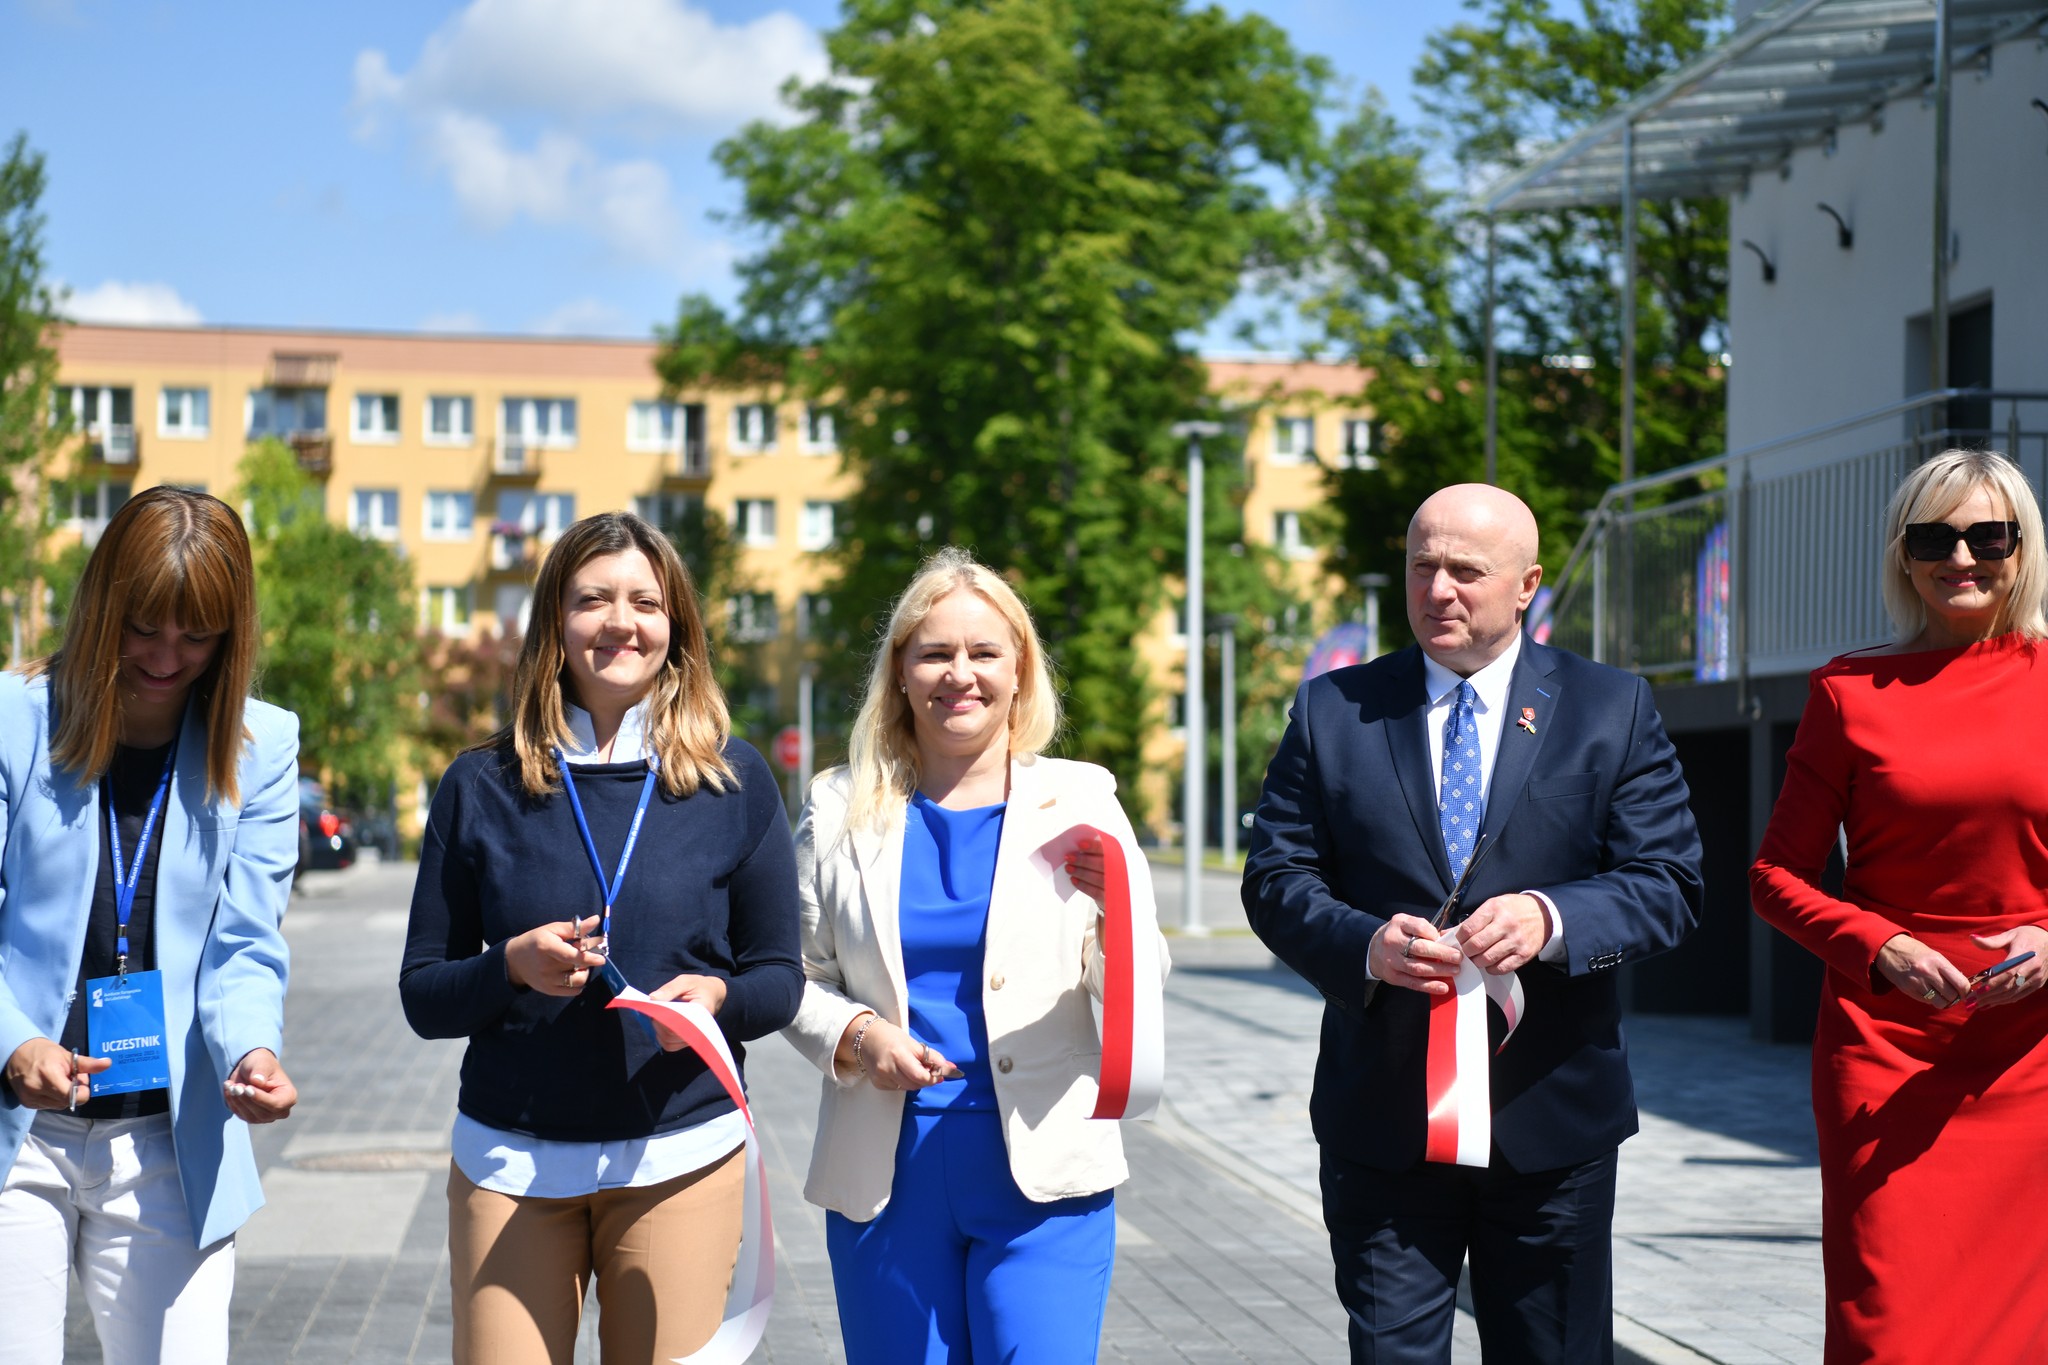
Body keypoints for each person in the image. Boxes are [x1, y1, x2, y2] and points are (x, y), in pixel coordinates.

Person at [1242, 483, 1703, 1365]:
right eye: (1422, 567)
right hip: (1384, 1124)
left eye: (1466, 570)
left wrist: (1550, 915)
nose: (1440, 589)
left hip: (1550, 1126)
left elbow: (1670, 880)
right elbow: (1275, 877)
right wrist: (1364, 946)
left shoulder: (1613, 708)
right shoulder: (1333, 710)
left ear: (1527, 583)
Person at [400, 511, 801, 1364]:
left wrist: (718, 998)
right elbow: (423, 994)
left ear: (675, 627)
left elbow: (780, 975)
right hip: (510, 1160)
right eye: (593, 599)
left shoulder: (736, 778)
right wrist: (508, 966)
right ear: (555, 622)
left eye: (645, 602)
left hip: (680, 1156)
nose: (621, 621)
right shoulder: (481, 782)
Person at [783, 547, 1167, 1365]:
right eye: (935, 652)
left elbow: (1143, 977)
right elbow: (796, 976)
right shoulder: (836, 804)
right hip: (886, 1174)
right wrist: (858, 1035)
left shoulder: (1084, 797)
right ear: (901, 672)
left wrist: (1113, 913)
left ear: (1020, 671)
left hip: (1044, 1171)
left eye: (984, 652)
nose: (960, 674)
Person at [1751, 448, 2048, 1361]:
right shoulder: (1849, 691)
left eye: (1987, 534)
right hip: (1886, 1046)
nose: (1962, 558)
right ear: (1903, 554)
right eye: (1934, 536)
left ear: (2022, 545)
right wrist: (1876, 944)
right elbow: (1776, 876)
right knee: (1891, 1326)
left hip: (2034, 1053)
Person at [0, 487, 301, 1365]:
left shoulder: (263, 744)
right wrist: (15, 1040)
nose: (167, 657)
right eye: (144, 626)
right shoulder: (14, 722)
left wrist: (253, 1051)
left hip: (170, 1142)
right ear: (102, 608)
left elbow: (245, 943)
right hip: (19, 1135)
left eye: (197, 634)